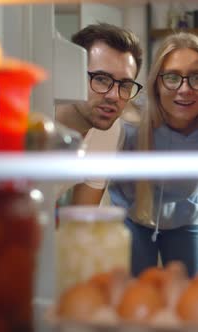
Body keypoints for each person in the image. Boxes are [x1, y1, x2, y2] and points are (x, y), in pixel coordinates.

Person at [105, 32, 198, 278]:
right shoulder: (130, 122)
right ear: (157, 84)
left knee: (187, 298)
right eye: (172, 77)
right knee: (137, 295)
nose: (185, 89)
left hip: (187, 216)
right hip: (132, 214)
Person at [55, 22, 143, 204]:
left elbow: (83, 220)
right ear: (74, 75)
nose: (114, 96)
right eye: (102, 79)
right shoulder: (36, 118)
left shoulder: (107, 131)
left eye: (125, 85)